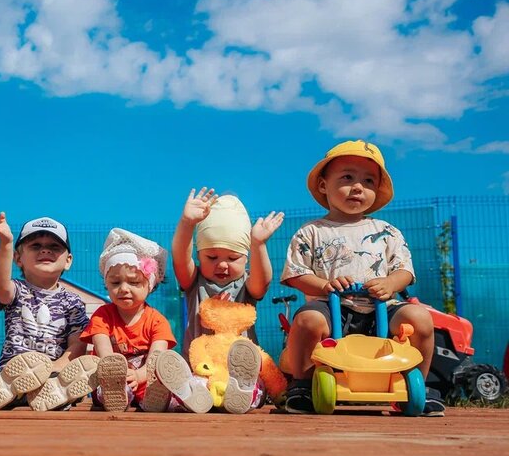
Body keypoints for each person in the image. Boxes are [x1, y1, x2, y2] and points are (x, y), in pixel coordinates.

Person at [280, 140, 440, 415]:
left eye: (368, 181)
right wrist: (325, 285)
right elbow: (296, 274)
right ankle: (302, 386)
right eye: (347, 178)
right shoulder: (311, 232)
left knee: (420, 318)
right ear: (323, 185)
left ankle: (420, 387)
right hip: (330, 309)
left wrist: (390, 283)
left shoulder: (387, 231)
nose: (358, 187)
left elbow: (404, 270)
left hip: (381, 309)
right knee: (307, 320)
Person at [171, 190, 284, 413]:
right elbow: (180, 259)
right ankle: (196, 396)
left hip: (241, 376)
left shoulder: (246, 284)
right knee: (195, 384)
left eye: (233, 258)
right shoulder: (195, 281)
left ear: (246, 258)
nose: (222, 265)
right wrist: (187, 223)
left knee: (254, 387)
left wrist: (258, 244)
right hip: (201, 369)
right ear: (199, 255)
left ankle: (238, 395)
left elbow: (263, 283)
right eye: (212, 257)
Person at [81, 228, 213, 413]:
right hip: (111, 380)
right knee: (110, 387)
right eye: (115, 283)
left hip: (145, 382)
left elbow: (155, 358)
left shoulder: (157, 321)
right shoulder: (102, 316)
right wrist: (117, 375)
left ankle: (186, 394)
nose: (123, 289)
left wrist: (138, 375)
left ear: (150, 285)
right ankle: (119, 396)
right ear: (107, 284)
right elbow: (105, 354)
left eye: (134, 282)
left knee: (159, 382)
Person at [0, 211, 92, 411]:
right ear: (18, 258)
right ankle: (14, 393)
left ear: (68, 260)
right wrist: (5, 242)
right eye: (35, 246)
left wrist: (55, 367)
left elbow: (77, 344)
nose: (45, 250)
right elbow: (1, 286)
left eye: (55, 247)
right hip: (13, 376)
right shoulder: (17, 290)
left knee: (66, 378)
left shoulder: (73, 302)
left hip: (53, 373)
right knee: (16, 385)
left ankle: (56, 392)